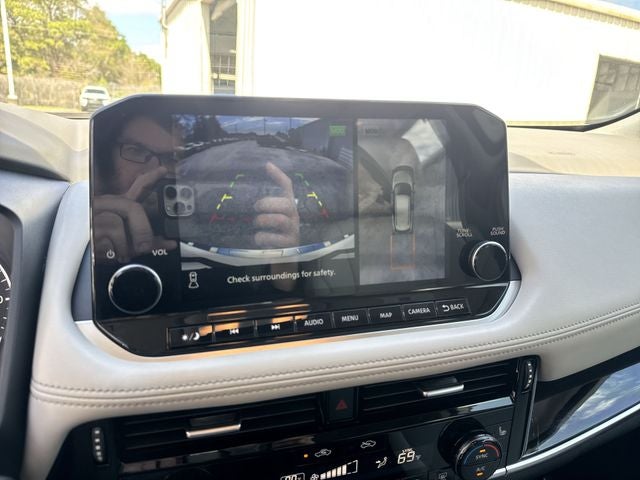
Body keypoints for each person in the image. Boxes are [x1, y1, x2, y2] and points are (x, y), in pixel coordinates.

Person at [93, 113, 300, 264]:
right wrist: (99, 255)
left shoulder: (211, 225)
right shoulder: (89, 226)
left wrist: (284, 259)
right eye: (136, 151)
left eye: (171, 158)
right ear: (103, 160)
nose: (157, 171)